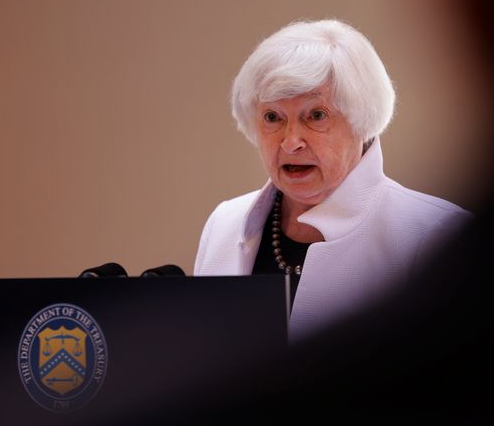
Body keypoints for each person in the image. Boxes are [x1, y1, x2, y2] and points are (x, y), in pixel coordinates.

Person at [193, 18, 472, 343]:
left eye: (316, 115)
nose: (291, 142)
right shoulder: (224, 224)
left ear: (362, 121)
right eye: (273, 117)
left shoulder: (434, 234)